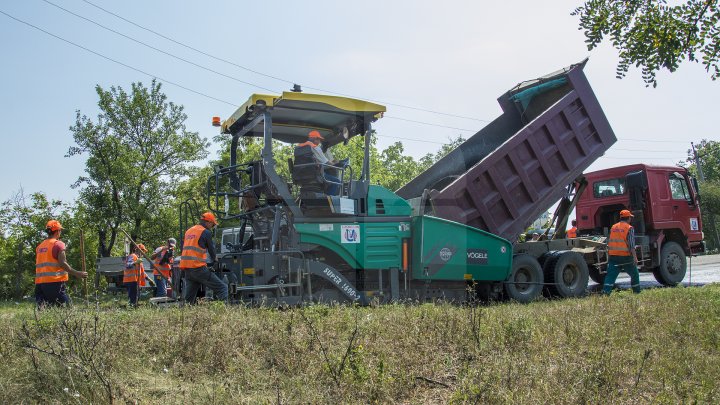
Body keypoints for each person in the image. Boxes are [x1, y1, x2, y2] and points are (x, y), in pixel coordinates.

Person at [35, 220, 88, 307]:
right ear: (58, 231)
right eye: (60, 230)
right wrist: (77, 273)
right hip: (54, 283)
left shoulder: (40, 246)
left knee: (43, 312)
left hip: (39, 284)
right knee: (67, 310)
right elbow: (63, 263)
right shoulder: (58, 244)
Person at [179, 212, 228, 304]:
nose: (212, 227)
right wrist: (216, 260)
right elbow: (212, 249)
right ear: (208, 222)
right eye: (212, 224)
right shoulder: (205, 232)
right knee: (223, 288)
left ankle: (184, 316)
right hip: (198, 269)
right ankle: (224, 312)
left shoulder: (189, 231)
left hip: (188, 270)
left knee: (188, 300)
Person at [602, 209, 641, 295]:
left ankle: (605, 292)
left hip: (613, 256)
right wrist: (635, 257)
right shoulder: (629, 228)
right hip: (625, 256)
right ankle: (636, 292)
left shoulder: (613, 227)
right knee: (634, 274)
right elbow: (631, 244)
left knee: (610, 276)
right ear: (628, 218)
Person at [295, 130, 342, 195]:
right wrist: (336, 164)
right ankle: (328, 200)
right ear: (315, 138)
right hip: (314, 175)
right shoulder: (315, 147)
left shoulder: (298, 147)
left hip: (300, 176)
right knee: (336, 182)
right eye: (319, 140)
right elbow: (326, 163)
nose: (319, 142)